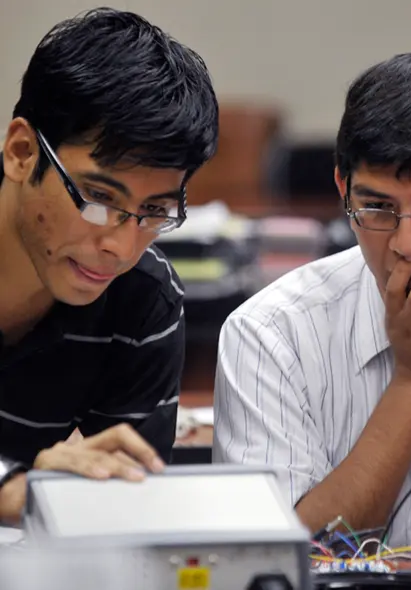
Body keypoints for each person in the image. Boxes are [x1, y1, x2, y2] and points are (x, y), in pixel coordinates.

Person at [212, 49, 411, 548]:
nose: (408, 246)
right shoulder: (269, 333)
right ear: (343, 188)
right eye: (377, 207)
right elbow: (279, 561)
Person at [0, 8, 218, 524]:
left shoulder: (142, 300)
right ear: (22, 152)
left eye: (155, 212)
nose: (120, 248)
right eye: (97, 197)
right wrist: (12, 487)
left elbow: (119, 518)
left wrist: (86, 494)